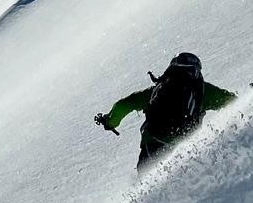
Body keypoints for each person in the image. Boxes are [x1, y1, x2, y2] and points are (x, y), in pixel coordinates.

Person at [95, 51, 236, 168]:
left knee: (145, 186)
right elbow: (230, 101)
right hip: (185, 148)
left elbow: (124, 104)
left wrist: (110, 121)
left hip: (152, 145)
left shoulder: (157, 90)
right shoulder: (203, 91)